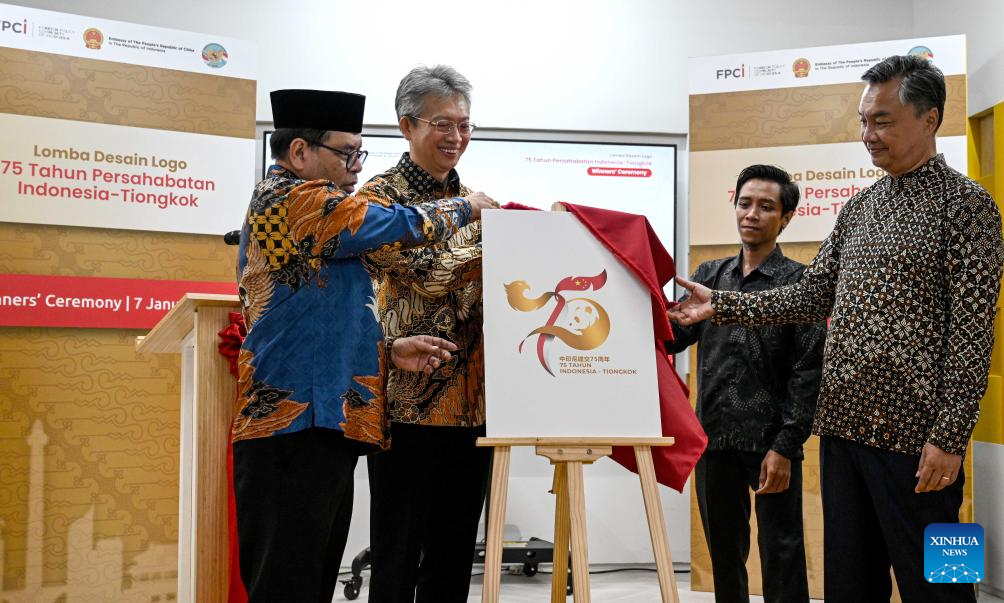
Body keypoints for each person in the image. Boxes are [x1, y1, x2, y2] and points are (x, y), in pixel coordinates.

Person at [669, 56, 1004, 602]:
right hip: (842, 435)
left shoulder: (970, 207)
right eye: (864, 120)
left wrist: (949, 438)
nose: (868, 134)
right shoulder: (860, 206)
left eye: (883, 121)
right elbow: (810, 296)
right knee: (849, 587)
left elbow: (973, 334)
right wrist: (722, 305)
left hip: (920, 446)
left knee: (945, 587)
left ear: (930, 119)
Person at [232, 88, 495, 602]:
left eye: (359, 153)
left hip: (328, 421)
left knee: (313, 581)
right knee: (286, 586)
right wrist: (466, 208)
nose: (356, 166)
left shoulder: (322, 217)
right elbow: (392, 223)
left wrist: (389, 349)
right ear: (300, 151)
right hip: (289, 423)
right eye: (347, 153)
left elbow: (321, 313)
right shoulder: (289, 200)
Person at [358, 66, 488, 603]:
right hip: (406, 403)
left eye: (464, 125)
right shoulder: (378, 199)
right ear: (407, 125)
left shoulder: (475, 199)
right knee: (397, 552)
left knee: (454, 556)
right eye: (442, 124)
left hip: (474, 405)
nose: (455, 136)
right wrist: (495, 242)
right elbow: (429, 274)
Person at [668, 164, 824, 603]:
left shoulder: (799, 283)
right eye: (745, 203)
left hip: (772, 443)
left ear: (786, 217)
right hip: (714, 439)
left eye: (766, 207)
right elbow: (674, 338)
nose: (752, 214)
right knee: (723, 553)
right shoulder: (709, 276)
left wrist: (786, 446)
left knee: (782, 553)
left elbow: (808, 371)